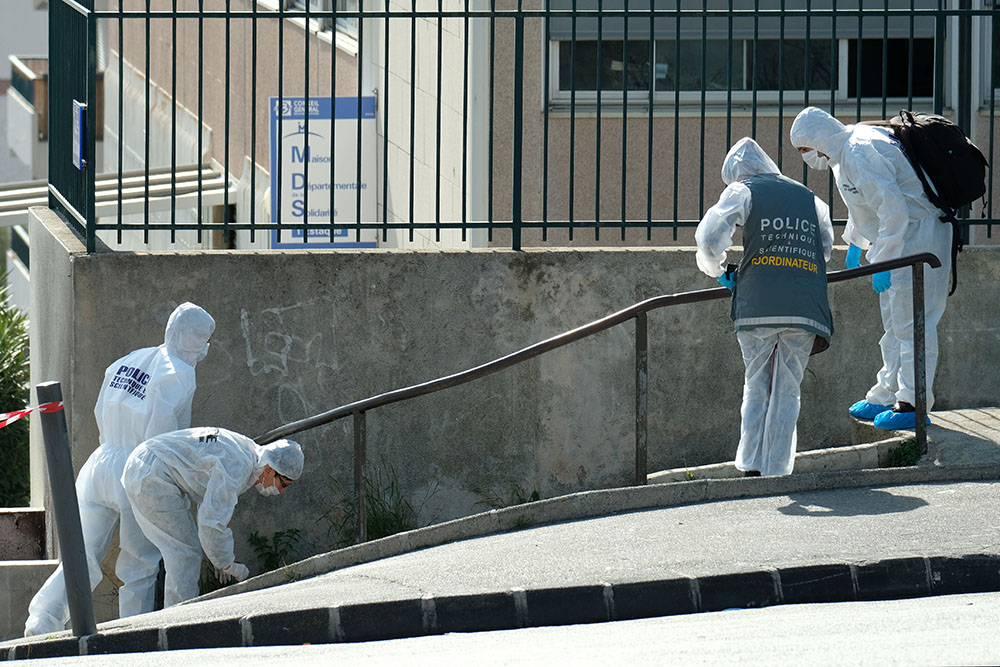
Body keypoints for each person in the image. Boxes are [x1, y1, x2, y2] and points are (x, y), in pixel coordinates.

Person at [25, 303, 216, 637]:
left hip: (100, 463)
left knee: (79, 553)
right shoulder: (180, 373)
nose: (204, 347)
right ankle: (133, 634)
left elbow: (101, 409)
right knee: (139, 563)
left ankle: (43, 618)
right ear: (184, 334)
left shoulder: (130, 360)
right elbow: (161, 439)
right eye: (201, 337)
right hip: (138, 469)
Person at [790, 107, 952, 430]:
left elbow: (894, 211)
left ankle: (912, 402)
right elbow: (866, 205)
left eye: (805, 149)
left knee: (912, 323)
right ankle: (886, 392)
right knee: (894, 324)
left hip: (918, 236)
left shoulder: (858, 150)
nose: (807, 157)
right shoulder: (843, 156)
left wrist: (885, 262)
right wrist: (856, 243)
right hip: (897, 240)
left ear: (817, 137)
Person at [695, 137, 834, 477]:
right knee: (787, 390)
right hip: (805, 305)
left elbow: (710, 237)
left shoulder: (744, 190)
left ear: (738, 174)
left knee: (757, 384)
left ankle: (751, 467)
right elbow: (825, 249)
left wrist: (719, 269)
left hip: (758, 303)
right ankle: (777, 470)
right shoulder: (810, 199)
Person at [121, 427, 304, 608]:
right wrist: (227, 564)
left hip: (147, 465)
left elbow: (208, 502)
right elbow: (211, 522)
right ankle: (178, 622)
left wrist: (216, 555)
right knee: (184, 553)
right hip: (152, 474)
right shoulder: (238, 467)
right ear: (270, 468)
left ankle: (177, 616)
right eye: (283, 484)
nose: (280, 491)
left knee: (183, 550)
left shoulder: (246, 452)